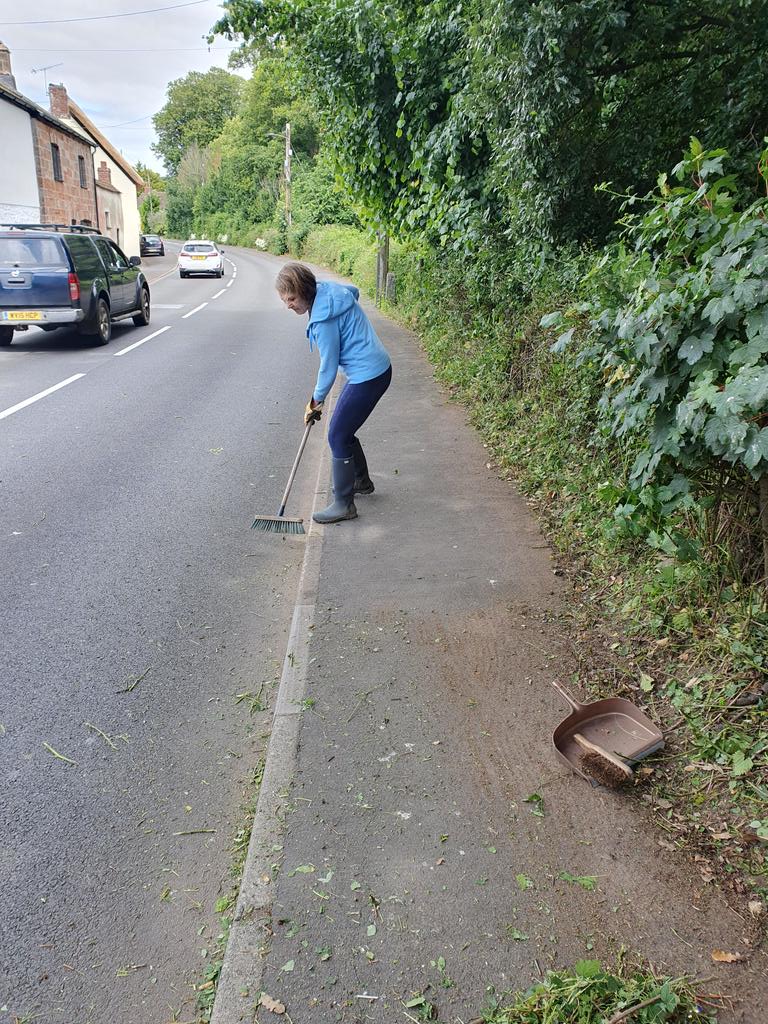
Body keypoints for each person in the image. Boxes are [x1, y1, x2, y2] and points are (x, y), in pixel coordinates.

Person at [276, 262, 392, 524]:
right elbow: (353, 291)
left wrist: (315, 402)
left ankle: (344, 504)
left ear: (305, 291)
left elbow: (328, 367)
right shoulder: (329, 291)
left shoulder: (323, 320)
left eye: (292, 298)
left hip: (368, 375)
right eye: (285, 299)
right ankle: (360, 481)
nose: (289, 305)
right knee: (344, 429)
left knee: (336, 434)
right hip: (377, 368)